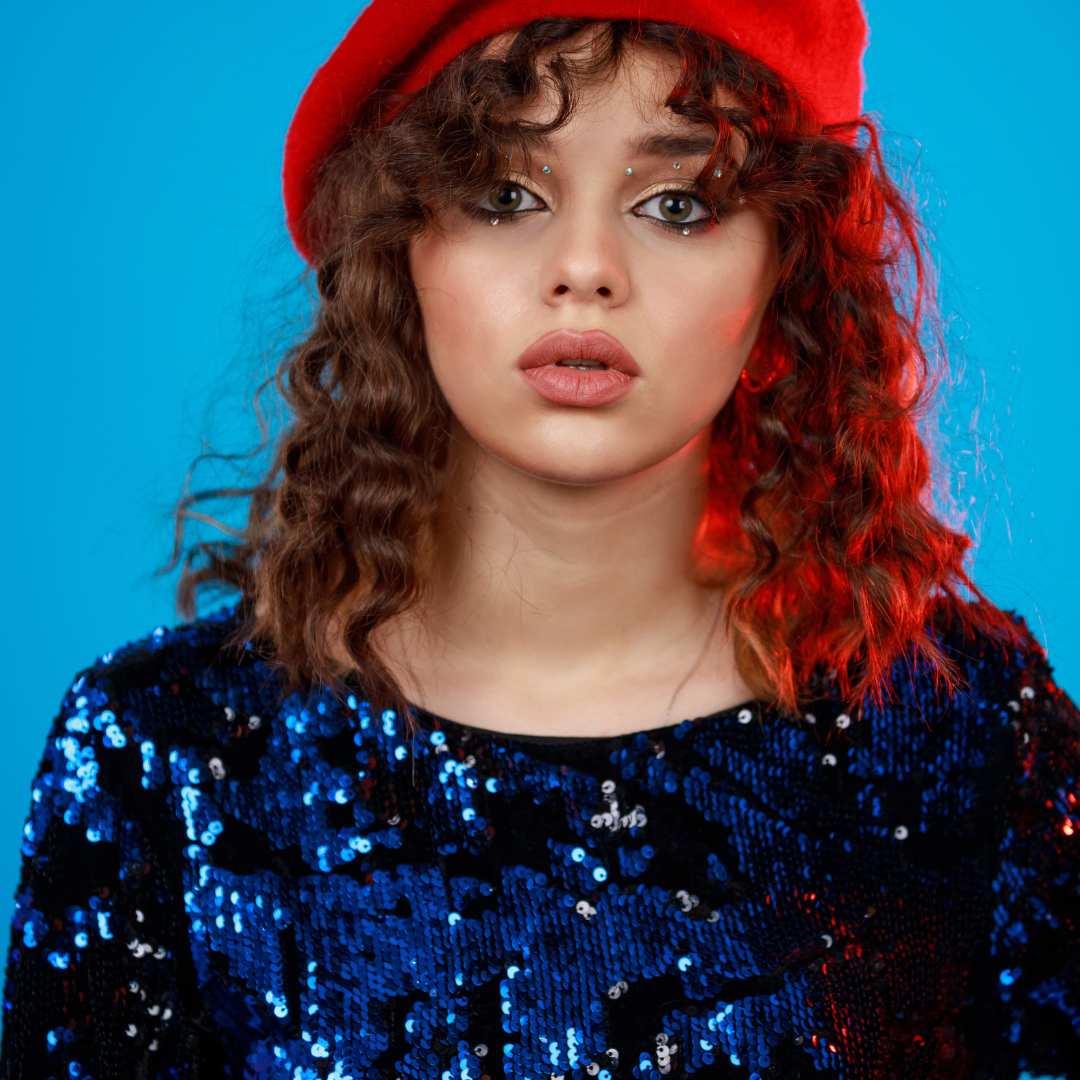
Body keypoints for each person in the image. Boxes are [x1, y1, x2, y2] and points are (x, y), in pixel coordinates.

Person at [2, 0, 1077, 1076]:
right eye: (505, 193)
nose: (586, 268)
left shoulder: (969, 733)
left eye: (678, 203)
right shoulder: (165, 758)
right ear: (399, 245)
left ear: (786, 264)